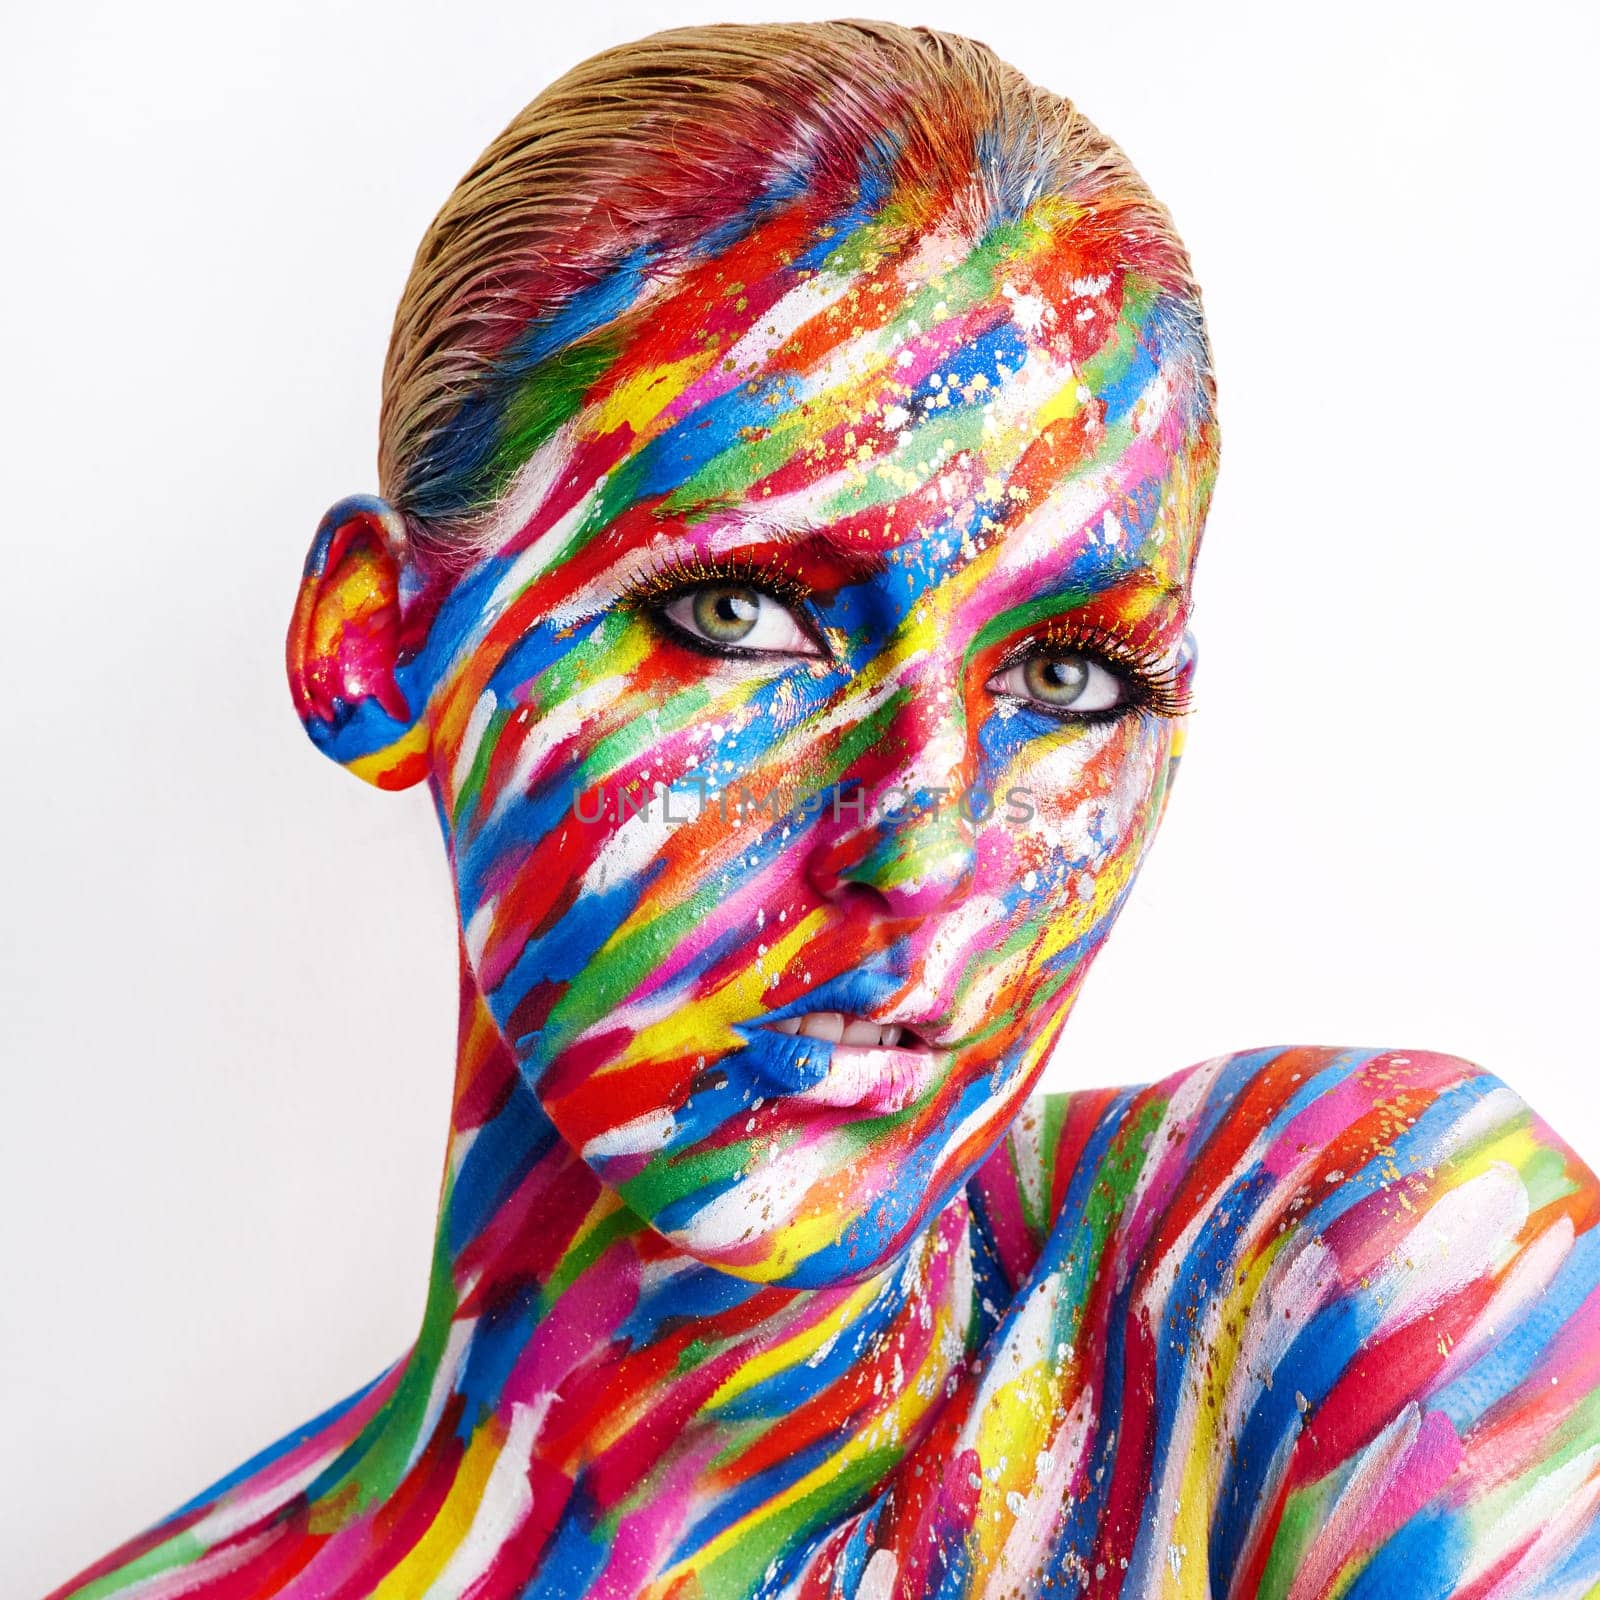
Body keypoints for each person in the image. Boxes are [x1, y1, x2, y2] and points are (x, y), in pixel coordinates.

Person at [46, 20, 1600, 1599]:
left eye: (1068, 681)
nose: (924, 858)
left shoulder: (1351, 1290)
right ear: (374, 647)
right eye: (741, 619)